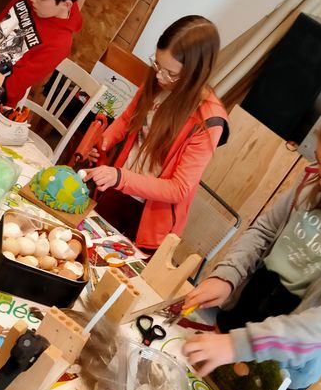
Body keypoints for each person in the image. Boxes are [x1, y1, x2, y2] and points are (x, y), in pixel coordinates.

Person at [182, 103, 321, 390]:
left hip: (283, 361)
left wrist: (239, 345)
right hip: (245, 310)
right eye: (320, 162)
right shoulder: (312, 180)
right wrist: (227, 277)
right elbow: (264, 230)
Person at [83, 15, 229, 252]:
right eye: (158, 64)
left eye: (171, 73)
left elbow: (179, 188)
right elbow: (128, 119)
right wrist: (102, 142)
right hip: (118, 191)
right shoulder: (158, 79)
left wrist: (120, 177)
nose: (160, 76)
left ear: (196, 73)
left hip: (149, 219)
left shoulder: (208, 121)